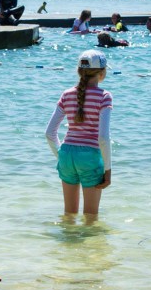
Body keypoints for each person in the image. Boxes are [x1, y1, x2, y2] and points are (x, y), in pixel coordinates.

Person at [45, 50, 113, 216]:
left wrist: (60, 155)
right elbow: (103, 138)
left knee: (69, 215)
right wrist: (108, 171)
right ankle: (89, 244)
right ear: (102, 72)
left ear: (79, 71)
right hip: (89, 157)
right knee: (90, 218)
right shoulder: (104, 96)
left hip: (67, 154)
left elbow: (49, 133)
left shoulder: (66, 94)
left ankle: (68, 242)